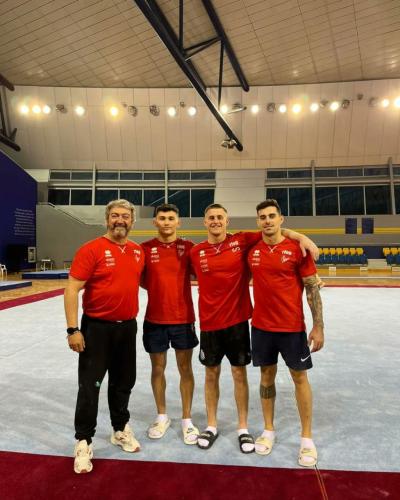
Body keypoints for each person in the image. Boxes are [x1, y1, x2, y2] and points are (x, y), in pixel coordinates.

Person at [190, 203, 319, 453]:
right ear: (204, 222)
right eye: (211, 217)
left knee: (241, 375)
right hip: (213, 323)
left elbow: (274, 231)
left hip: (241, 322)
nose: (216, 221)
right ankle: (212, 425)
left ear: (227, 221)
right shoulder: (195, 252)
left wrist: (301, 237)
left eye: (220, 217)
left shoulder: (242, 241)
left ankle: (244, 428)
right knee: (211, 374)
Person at [64, 199, 144, 474]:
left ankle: (120, 429)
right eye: (115, 215)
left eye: (125, 216)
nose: (120, 220)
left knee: (123, 382)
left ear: (132, 221)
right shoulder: (91, 249)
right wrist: (73, 329)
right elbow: (72, 289)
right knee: (91, 385)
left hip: (127, 328)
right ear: (107, 219)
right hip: (96, 329)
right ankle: (83, 440)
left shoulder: (137, 251)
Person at [248, 199, 324, 467]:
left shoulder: (296, 249)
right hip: (261, 328)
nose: (267, 220)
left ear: (281, 219)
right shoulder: (251, 249)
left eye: (272, 216)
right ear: (258, 221)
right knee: (265, 378)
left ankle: (307, 439)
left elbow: (312, 288)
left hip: (292, 328)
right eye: (262, 217)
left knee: (299, 378)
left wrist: (318, 326)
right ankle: (268, 430)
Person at [141, 203, 199, 445]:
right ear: (155, 222)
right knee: (157, 369)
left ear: (178, 222)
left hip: (183, 319)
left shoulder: (189, 248)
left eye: (171, 218)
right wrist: (159, 289)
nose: (166, 222)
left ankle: (187, 419)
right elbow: (142, 280)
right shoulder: (145, 249)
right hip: (154, 319)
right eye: (162, 218)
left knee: (186, 369)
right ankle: (162, 416)